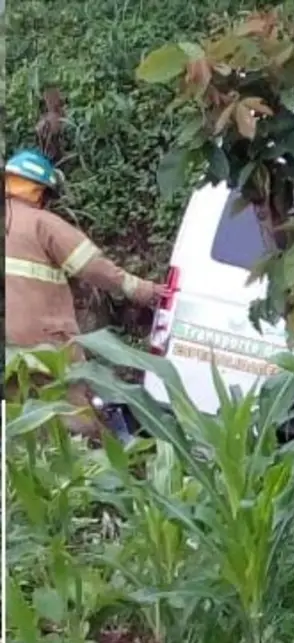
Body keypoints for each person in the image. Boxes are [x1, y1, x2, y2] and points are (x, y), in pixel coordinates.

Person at [4, 148, 166, 436]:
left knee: (20, 415)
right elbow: (93, 267)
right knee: (76, 414)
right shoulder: (43, 224)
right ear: (41, 191)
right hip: (46, 341)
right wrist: (145, 290)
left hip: (11, 347)